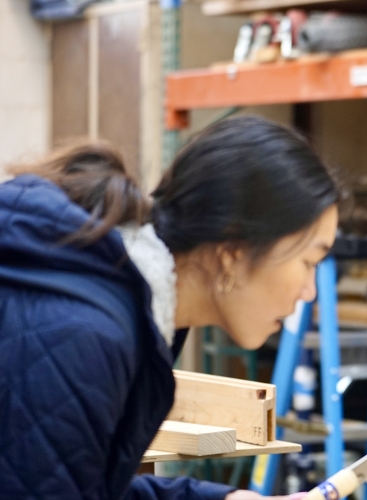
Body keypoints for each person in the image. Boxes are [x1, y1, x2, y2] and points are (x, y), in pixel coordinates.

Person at [0, 116, 339, 500]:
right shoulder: (85, 336)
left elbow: (81, 484)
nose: (309, 292)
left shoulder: (131, 313)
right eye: (308, 261)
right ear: (232, 253)